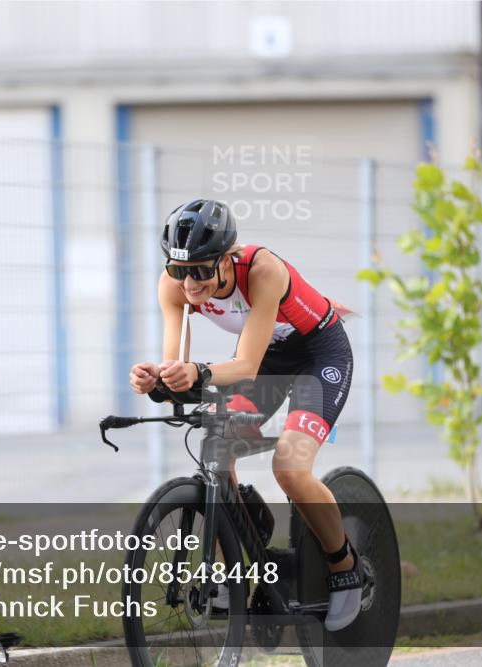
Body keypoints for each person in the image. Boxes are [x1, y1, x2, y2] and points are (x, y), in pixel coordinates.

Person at [129, 198, 364, 631]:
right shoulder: (173, 285)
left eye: (201, 270)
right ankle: (238, 552)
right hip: (270, 356)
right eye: (179, 270)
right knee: (218, 447)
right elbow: (176, 366)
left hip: (319, 354)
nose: (190, 283)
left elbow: (245, 367)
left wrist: (198, 372)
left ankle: (345, 565)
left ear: (226, 260)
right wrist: (157, 380)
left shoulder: (262, 270)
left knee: (290, 467)